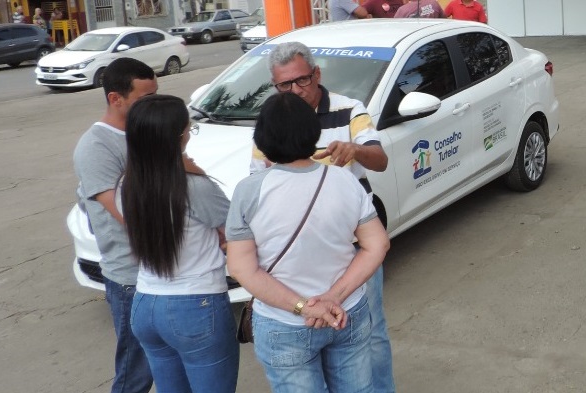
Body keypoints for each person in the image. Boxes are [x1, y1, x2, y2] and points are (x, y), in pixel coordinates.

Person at [251, 41, 395, 392]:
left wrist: (356, 149)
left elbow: (379, 160)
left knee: (370, 333)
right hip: (295, 256)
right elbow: (257, 182)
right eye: (284, 85)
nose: (295, 91)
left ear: (316, 74)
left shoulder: (349, 109)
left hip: (351, 247)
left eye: (301, 80)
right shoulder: (271, 121)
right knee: (323, 342)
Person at [123, 95, 239, 393]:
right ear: (178, 137)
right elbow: (237, 235)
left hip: (145, 304)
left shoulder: (128, 184)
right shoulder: (196, 187)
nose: (190, 132)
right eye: (189, 128)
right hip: (194, 306)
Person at [73, 58, 157, 393]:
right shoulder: (96, 147)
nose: (152, 106)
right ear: (115, 99)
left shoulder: (142, 133)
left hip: (161, 270)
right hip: (130, 278)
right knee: (137, 372)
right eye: (144, 98)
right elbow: (131, 214)